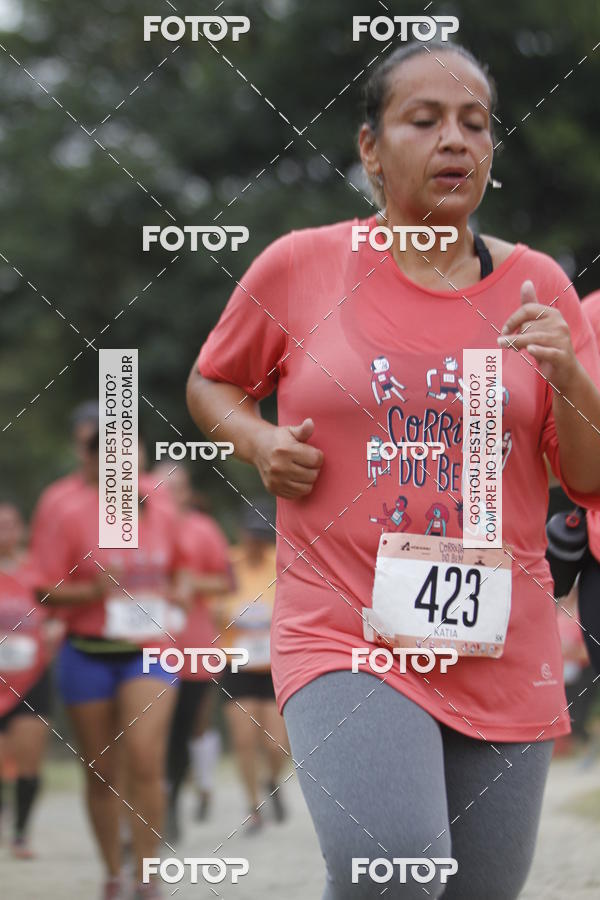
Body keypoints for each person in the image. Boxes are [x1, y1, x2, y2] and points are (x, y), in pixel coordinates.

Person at [186, 40, 600, 900]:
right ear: (371, 148)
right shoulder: (301, 265)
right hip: (346, 626)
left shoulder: (541, 289)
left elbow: (589, 476)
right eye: (426, 120)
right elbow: (213, 380)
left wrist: (570, 378)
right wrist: (257, 442)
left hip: (500, 637)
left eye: (475, 124)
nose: (456, 140)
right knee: (399, 869)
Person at [33, 429, 190, 900]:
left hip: (150, 649)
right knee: (101, 771)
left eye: (133, 451)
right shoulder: (69, 513)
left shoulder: (162, 508)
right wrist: (93, 591)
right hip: (89, 651)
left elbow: (182, 565)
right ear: (94, 463)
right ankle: (111, 872)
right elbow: (42, 590)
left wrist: (179, 590)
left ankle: (147, 875)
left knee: (144, 757)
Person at [152, 463, 232, 842]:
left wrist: (191, 582)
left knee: (182, 729)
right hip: (145, 645)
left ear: (188, 491)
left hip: (194, 647)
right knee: (148, 731)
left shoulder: (204, 529)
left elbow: (225, 581)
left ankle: (170, 803)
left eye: (178, 488)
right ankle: (143, 806)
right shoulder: (135, 526)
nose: (171, 495)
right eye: (163, 488)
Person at [218, 505, 289, 832]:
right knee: (244, 740)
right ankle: (252, 807)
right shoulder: (228, 564)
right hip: (237, 661)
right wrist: (232, 611)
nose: (256, 544)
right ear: (242, 534)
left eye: (263, 537)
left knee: (276, 744)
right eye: (251, 537)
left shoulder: (283, 564)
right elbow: (210, 605)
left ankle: (272, 780)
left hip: (275, 664)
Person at [0, 502, 60, 859]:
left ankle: (21, 832)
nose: (5, 530)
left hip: (32, 676)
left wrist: (56, 628)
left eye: (10, 523)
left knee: (29, 760)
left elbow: (59, 611)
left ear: (21, 529)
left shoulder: (37, 571)